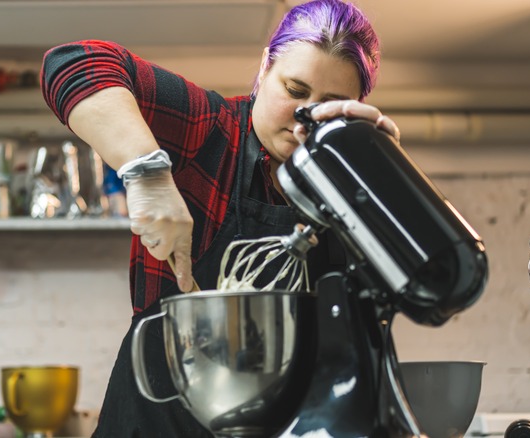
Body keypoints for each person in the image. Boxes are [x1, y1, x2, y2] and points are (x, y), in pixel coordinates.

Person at [40, 0, 400, 436]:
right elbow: (76, 63)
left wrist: (390, 180)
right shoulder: (210, 130)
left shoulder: (350, 181)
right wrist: (145, 170)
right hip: (159, 419)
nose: (305, 119)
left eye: (331, 105)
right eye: (295, 90)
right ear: (265, 68)